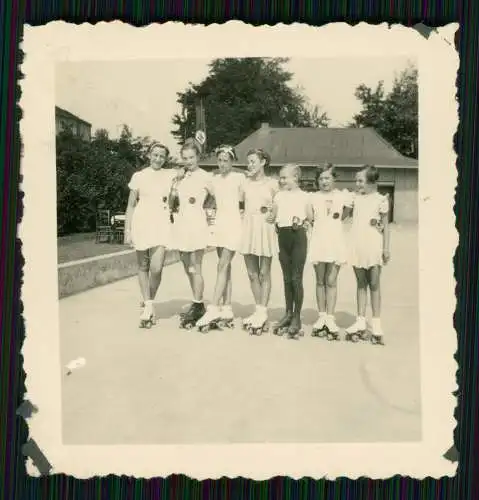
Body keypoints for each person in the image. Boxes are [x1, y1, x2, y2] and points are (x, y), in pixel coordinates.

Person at [124, 142, 176, 328]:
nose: (158, 159)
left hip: (161, 222)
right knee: (143, 265)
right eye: (155, 155)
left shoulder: (170, 175)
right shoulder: (139, 176)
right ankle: (148, 305)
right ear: (149, 155)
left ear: (166, 158)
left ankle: (148, 301)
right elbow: (131, 205)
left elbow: (189, 167)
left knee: (157, 268)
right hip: (141, 221)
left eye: (162, 156)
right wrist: (127, 230)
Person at [195, 145, 246, 332]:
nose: (222, 164)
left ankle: (213, 306)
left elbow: (252, 194)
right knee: (226, 267)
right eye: (220, 160)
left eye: (226, 160)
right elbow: (198, 183)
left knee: (222, 265)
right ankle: (227, 307)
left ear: (232, 161)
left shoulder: (240, 178)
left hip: (234, 225)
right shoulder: (213, 179)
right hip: (219, 225)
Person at [169, 138, 214, 329]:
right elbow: (171, 203)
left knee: (196, 267)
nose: (188, 161)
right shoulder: (180, 177)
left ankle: (197, 305)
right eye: (185, 158)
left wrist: (209, 213)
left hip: (197, 224)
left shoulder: (206, 176)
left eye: (192, 157)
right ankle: (198, 303)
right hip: (181, 224)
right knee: (187, 267)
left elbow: (215, 198)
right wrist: (174, 184)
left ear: (198, 157)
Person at [344, 165, 390, 345]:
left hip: (373, 245)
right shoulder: (354, 198)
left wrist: (386, 248)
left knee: (375, 283)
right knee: (360, 284)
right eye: (356, 180)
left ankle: (376, 324)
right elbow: (342, 216)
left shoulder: (381, 200)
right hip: (357, 244)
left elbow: (386, 227)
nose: (357, 184)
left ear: (371, 182)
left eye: (360, 181)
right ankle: (360, 320)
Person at [308, 163, 351, 340]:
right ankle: (321, 316)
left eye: (327, 178)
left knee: (331, 280)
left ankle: (331, 317)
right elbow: (310, 218)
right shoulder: (312, 197)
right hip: (319, 242)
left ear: (334, 178)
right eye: (321, 178)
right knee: (320, 281)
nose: (324, 181)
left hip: (335, 243)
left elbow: (346, 213)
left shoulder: (343, 196)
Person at [270, 164, 313, 339]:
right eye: (280, 177)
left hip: (298, 237)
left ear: (296, 177)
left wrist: (304, 223)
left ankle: (297, 316)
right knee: (287, 278)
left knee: (296, 278)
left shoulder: (305, 196)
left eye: (284, 177)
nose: (281, 180)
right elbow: (272, 216)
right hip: (283, 236)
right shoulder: (278, 196)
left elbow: (310, 217)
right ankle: (288, 313)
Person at [239, 148, 279, 335]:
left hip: (265, 228)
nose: (250, 165)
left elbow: (280, 204)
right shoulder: (245, 184)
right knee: (252, 273)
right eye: (249, 162)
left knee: (264, 272)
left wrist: (274, 215)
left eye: (253, 161)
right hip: (248, 228)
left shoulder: (273, 184)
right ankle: (258, 310)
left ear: (263, 162)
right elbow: (238, 204)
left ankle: (263, 311)